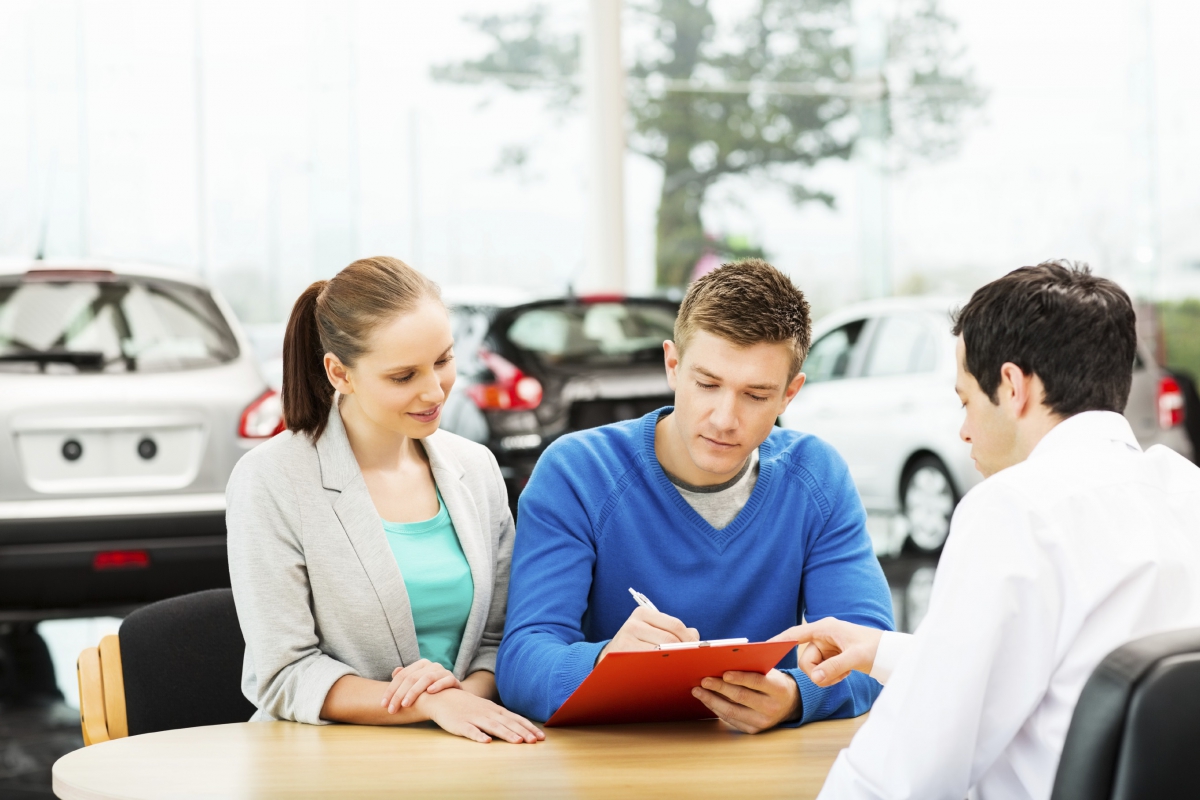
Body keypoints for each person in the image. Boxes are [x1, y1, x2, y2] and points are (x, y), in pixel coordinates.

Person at [773, 261, 1200, 799]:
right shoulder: (1185, 491)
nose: (965, 430)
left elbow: (903, 772)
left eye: (966, 400)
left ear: (1014, 387)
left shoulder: (1017, 508)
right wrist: (882, 650)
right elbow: (1074, 676)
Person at [495, 259, 894, 731]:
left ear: (790, 394)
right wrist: (604, 662)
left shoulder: (817, 476)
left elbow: (872, 652)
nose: (725, 418)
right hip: (613, 766)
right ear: (672, 364)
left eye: (756, 395)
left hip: (762, 767)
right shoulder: (578, 472)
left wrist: (795, 696)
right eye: (707, 384)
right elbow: (522, 662)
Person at [226, 256, 543, 744]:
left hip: (465, 748)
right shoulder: (270, 480)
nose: (435, 390)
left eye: (443, 360)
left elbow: (501, 641)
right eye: (403, 376)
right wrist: (428, 701)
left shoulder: (476, 469)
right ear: (340, 373)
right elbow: (284, 672)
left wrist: (461, 697)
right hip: (324, 764)